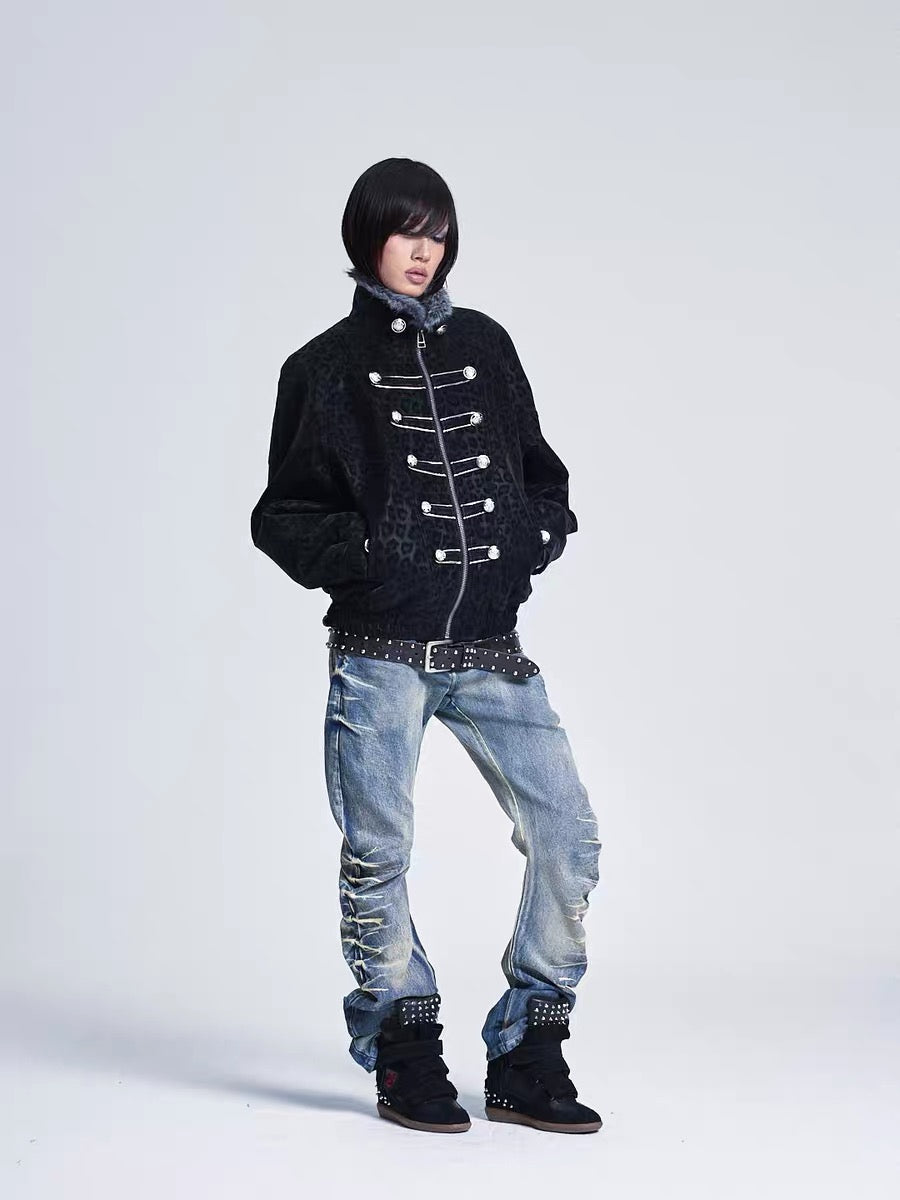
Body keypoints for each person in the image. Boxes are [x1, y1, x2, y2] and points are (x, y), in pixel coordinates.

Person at [250, 158, 602, 1135]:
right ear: (367, 237)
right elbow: (284, 514)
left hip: (490, 648)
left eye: (438, 234)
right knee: (380, 853)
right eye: (407, 231)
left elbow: (541, 478)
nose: (424, 251)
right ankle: (404, 1048)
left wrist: (529, 539)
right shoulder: (321, 368)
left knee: (568, 835)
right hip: (380, 648)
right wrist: (371, 558)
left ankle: (530, 1048)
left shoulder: (486, 345)